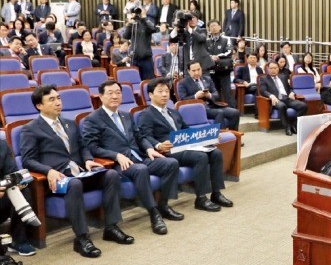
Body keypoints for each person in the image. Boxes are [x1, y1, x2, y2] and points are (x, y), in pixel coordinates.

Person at [20, 85, 133, 258]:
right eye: (52, 99)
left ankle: (111, 227)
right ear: (39, 106)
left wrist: (88, 160)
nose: (58, 102)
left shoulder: (69, 123)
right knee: (74, 184)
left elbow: (83, 146)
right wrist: (48, 170)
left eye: (58, 98)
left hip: (80, 173)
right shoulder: (30, 129)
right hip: (57, 179)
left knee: (110, 174)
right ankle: (81, 238)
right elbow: (28, 160)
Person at [82, 80, 182, 236]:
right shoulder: (92, 119)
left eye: (118, 93)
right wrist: (116, 155)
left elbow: (139, 136)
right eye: (110, 93)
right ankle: (153, 214)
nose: (115, 96)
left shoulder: (126, 115)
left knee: (171, 163)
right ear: (100, 97)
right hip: (118, 164)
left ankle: (163, 205)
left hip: (139, 157)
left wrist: (149, 148)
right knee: (141, 170)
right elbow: (92, 147)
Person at [138, 78, 233, 212]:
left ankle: (216, 193)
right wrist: (158, 145)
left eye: (166, 91)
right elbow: (145, 136)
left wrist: (208, 137)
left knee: (215, 152)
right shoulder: (146, 114)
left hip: (184, 146)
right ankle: (201, 198)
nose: (165, 94)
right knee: (200, 157)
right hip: (168, 149)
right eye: (160, 91)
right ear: (150, 95)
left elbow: (188, 131)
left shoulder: (174, 112)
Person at [177, 60, 241, 131]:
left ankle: (234, 137)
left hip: (212, 106)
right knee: (219, 113)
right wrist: (195, 96)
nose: (197, 73)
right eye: (194, 71)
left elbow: (216, 94)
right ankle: (220, 138)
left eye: (198, 69)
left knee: (235, 112)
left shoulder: (207, 79)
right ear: (189, 71)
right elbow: (182, 100)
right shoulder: (183, 83)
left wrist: (209, 95)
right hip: (198, 109)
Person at [0, 139, 37, 256]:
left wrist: (15, 183)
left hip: (2, 191)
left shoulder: (1, 144)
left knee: (24, 191)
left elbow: (11, 172)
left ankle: (18, 240)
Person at [259, 61, 307, 136]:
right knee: (282, 106)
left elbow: (290, 88)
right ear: (268, 69)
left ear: (278, 69)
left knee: (303, 106)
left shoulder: (283, 77)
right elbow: (263, 91)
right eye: (271, 68)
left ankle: (294, 124)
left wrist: (292, 92)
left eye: (275, 68)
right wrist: (271, 95)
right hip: (276, 100)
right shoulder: (264, 78)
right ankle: (287, 127)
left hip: (286, 98)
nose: (273, 70)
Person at [206, 19, 236, 107]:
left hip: (224, 71)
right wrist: (211, 57)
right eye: (211, 26)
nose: (213, 27)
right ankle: (217, 111)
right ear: (209, 29)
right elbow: (204, 52)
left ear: (220, 27)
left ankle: (232, 112)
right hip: (211, 70)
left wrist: (218, 56)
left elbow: (229, 51)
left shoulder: (226, 39)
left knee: (227, 92)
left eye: (215, 25)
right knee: (214, 93)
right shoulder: (206, 41)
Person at [123, 11, 157, 79]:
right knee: (135, 79)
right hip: (134, 58)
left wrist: (144, 18)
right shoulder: (132, 25)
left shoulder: (145, 24)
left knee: (148, 80)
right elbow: (126, 36)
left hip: (146, 58)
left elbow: (153, 28)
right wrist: (129, 23)